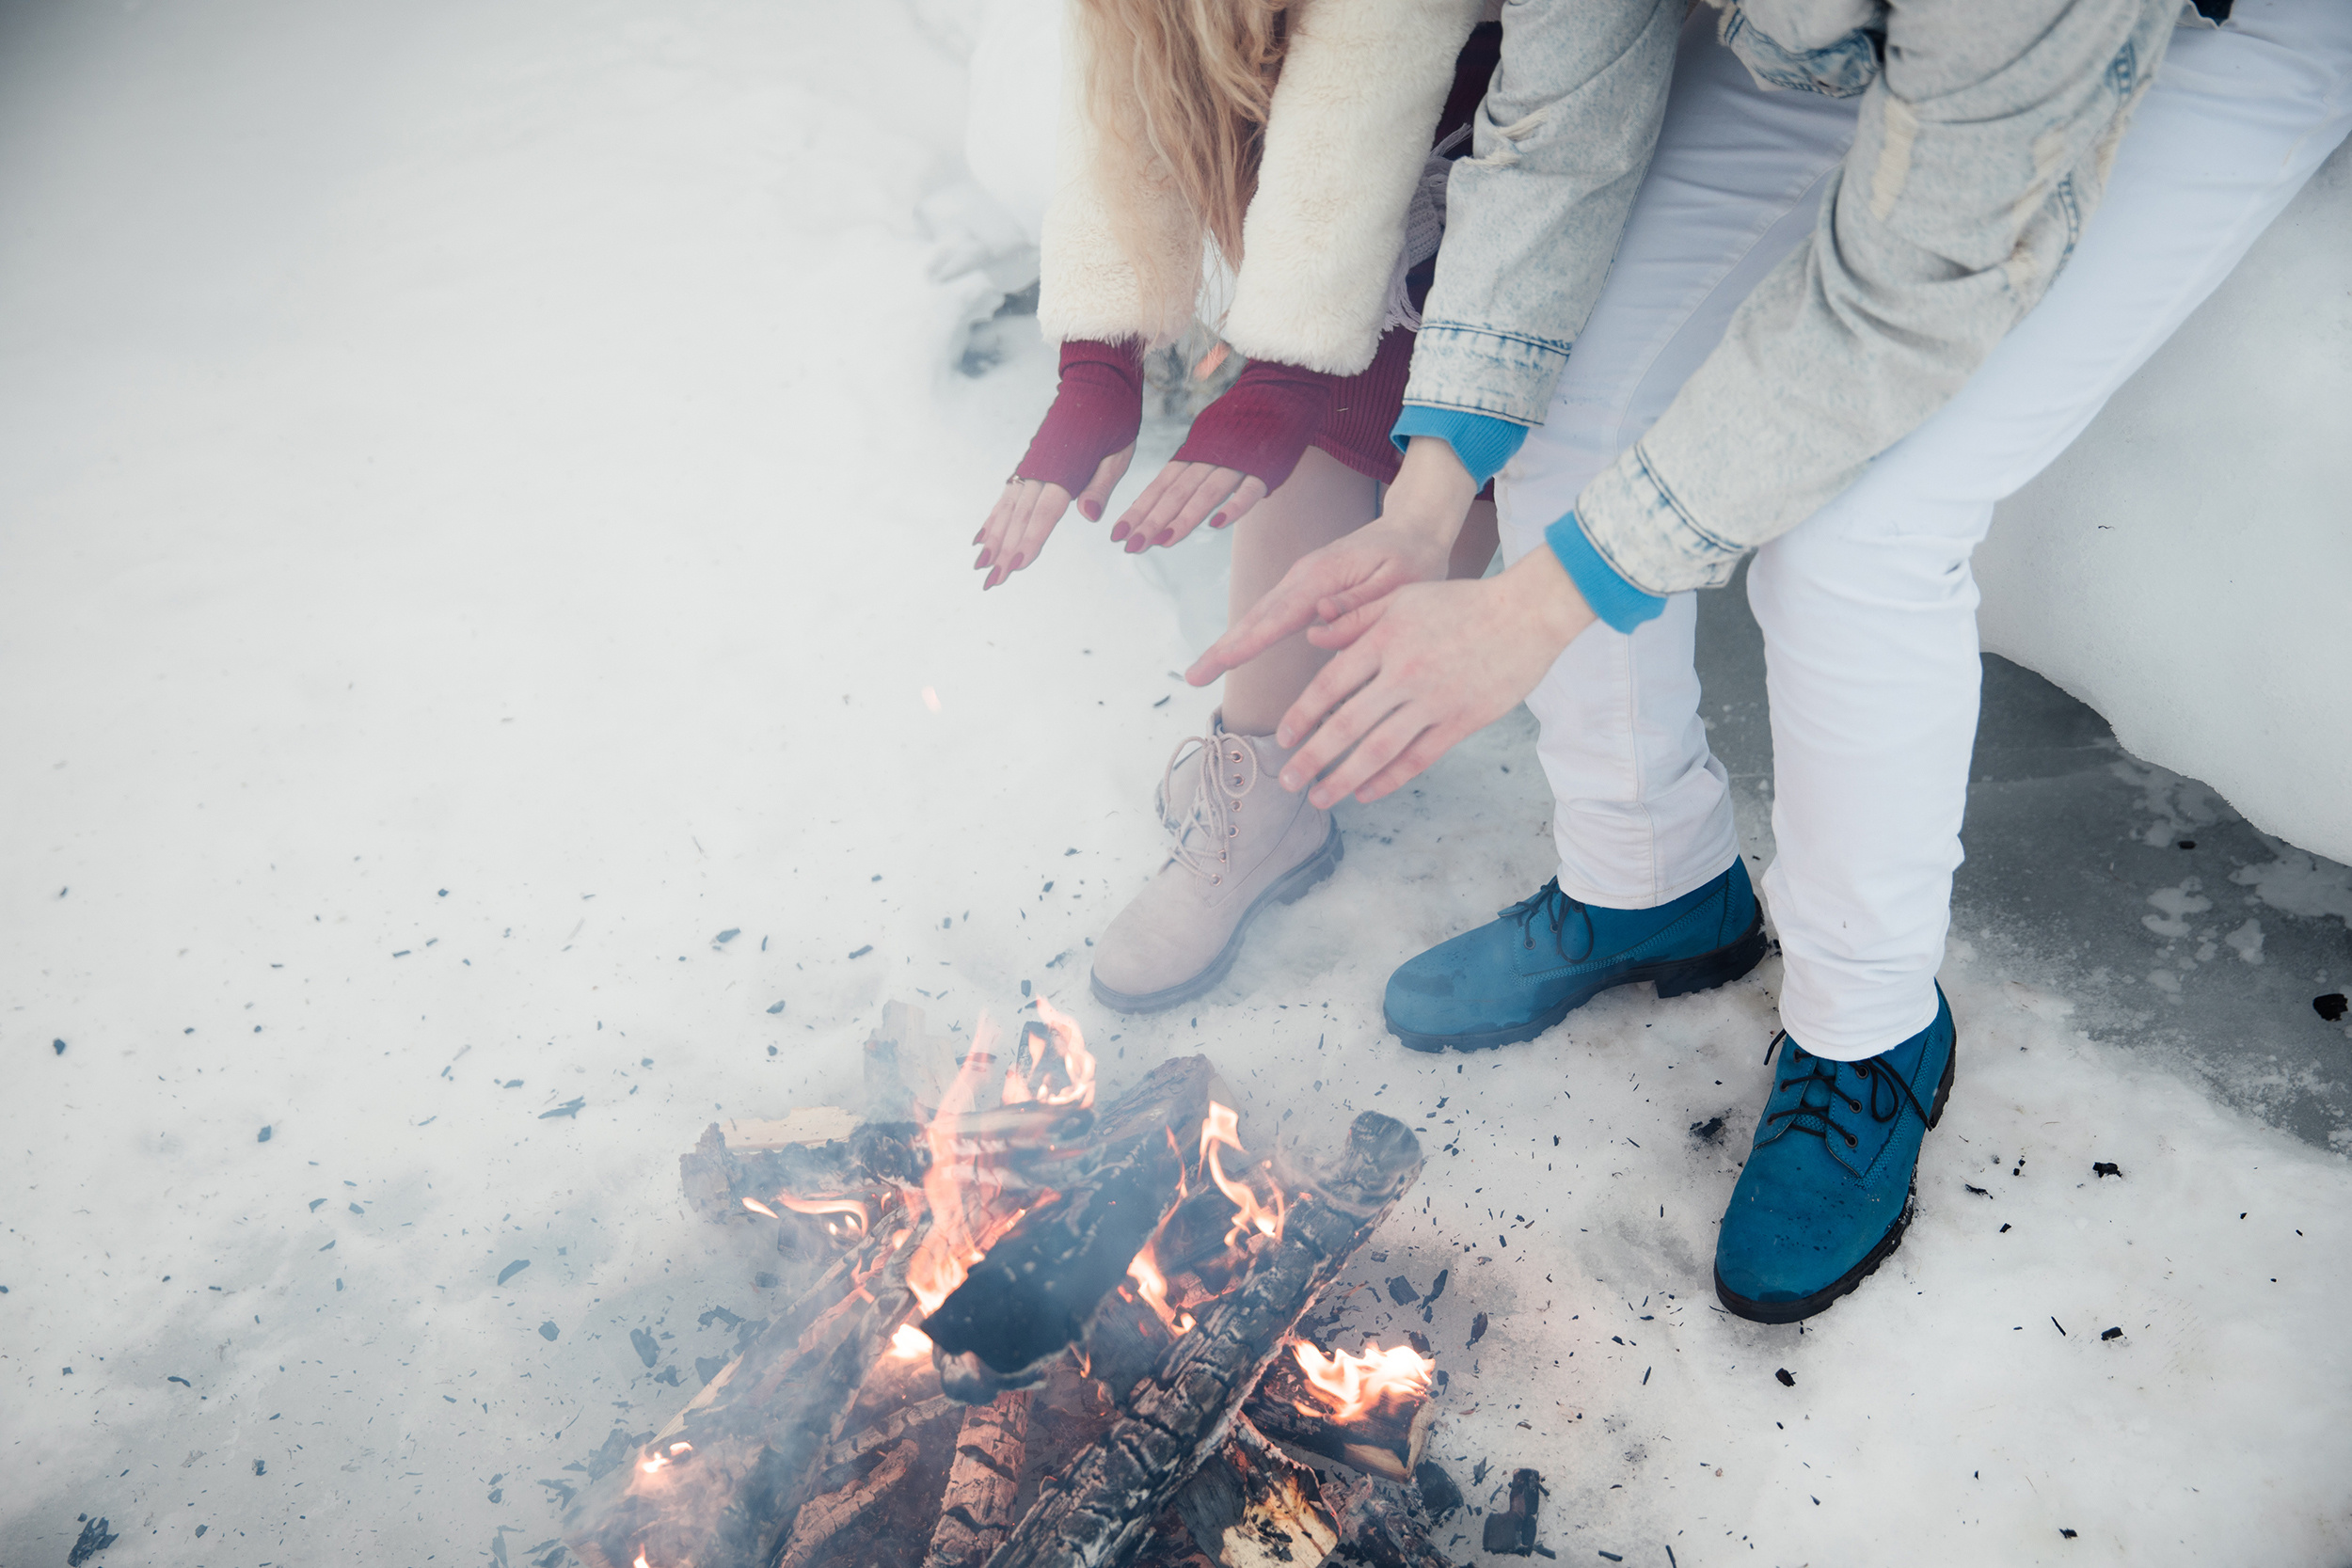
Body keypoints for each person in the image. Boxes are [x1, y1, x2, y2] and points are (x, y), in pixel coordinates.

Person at [1191, 0, 2352, 1322]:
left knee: (1857, 538)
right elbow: (1561, 117)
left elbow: (1894, 309)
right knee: (1566, 401)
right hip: (1814, 32)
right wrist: (1425, 500)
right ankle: (1646, 881)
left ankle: (1868, 1029)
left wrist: (1533, 610)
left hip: (2150, 47)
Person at [976, 0, 1507, 1013]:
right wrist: (1098, 360)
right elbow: (1127, 69)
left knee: (1438, 386)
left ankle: (1305, 755)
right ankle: (1262, 796)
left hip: (1504, 102)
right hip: (1308, 100)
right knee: (1321, 408)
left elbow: (1375, 59)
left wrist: (1285, 372)